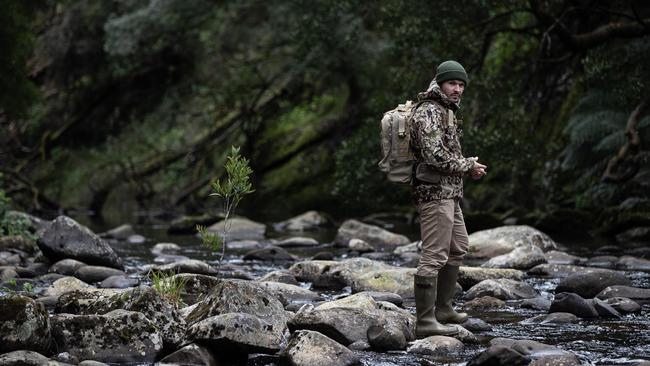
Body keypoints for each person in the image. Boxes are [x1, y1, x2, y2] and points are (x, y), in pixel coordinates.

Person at [409, 60, 487, 337]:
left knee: (458, 247)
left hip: (450, 193)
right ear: (440, 83)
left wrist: (469, 167)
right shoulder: (429, 111)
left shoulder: (446, 110)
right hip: (433, 194)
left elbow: (447, 155)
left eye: (461, 84)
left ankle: (444, 309)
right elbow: (434, 156)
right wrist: (467, 165)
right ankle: (425, 322)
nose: (457, 89)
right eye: (453, 83)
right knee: (434, 256)